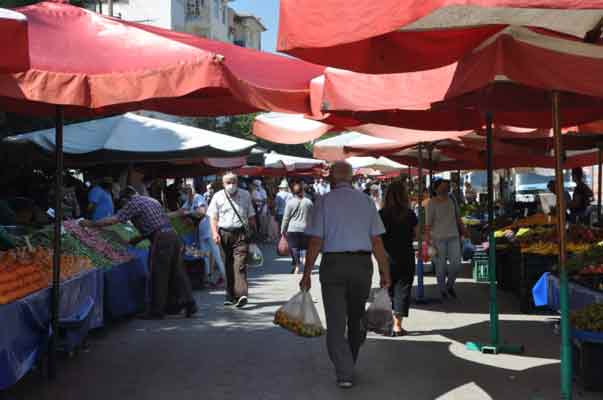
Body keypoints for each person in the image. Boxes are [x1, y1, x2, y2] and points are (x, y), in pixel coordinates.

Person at [300, 161, 391, 389]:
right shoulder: (367, 201)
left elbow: (315, 241)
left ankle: (344, 371)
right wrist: (384, 271)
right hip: (361, 265)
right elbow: (377, 240)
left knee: (336, 321)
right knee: (356, 315)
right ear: (351, 178)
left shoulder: (323, 201)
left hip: (333, 265)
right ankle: (348, 363)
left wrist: (307, 272)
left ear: (331, 178)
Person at [81, 186, 197, 319]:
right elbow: (156, 223)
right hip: (172, 235)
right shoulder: (152, 200)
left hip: (161, 239)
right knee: (177, 272)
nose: (123, 205)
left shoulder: (133, 203)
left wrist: (92, 223)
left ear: (126, 198)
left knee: (158, 274)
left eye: (122, 202)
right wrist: (137, 239)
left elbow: (115, 219)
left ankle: (156, 311)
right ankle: (189, 304)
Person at [208, 172, 256, 308]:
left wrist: (253, 232)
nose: (231, 185)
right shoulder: (217, 196)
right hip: (224, 234)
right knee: (228, 265)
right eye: (228, 182)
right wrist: (214, 233)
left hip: (241, 233)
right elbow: (213, 217)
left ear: (238, 182)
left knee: (239, 264)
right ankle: (230, 296)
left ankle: (242, 295)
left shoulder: (245, 195)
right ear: (223, 184)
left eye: (233, 181)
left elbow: (251, 214)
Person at [380, 180, 418, 336]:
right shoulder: (409, 214)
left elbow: (375, 238)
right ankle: (397, 325)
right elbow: (417, 234)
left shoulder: (381, 215)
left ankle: (387, 322)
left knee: (387, 288)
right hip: (406, 255)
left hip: (386, 257)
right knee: (403, 290)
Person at [426, 179, 465, 300]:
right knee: (440, 266)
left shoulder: (452, 200)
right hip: (438, 238)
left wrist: (463, 231)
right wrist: (428, 241)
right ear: (436, 189)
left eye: (446, 187)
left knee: (456, 264)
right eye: (442, 187)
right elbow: (428, 224)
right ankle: (442, 289)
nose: (445, 189)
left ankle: (449, 285)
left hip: (453, 236)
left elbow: (458, 218)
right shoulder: (431, 203)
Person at [281, 182, 313, 274]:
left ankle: (297, 267)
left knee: (294, 248)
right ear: (302, 191)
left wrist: (282, 229)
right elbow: (312, 216)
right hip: (306, 228)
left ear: (293, 192)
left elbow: (286, 218)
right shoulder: (308, 202)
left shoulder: (290, 203)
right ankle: (307, 264)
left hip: (292, 229)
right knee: (306, 248)